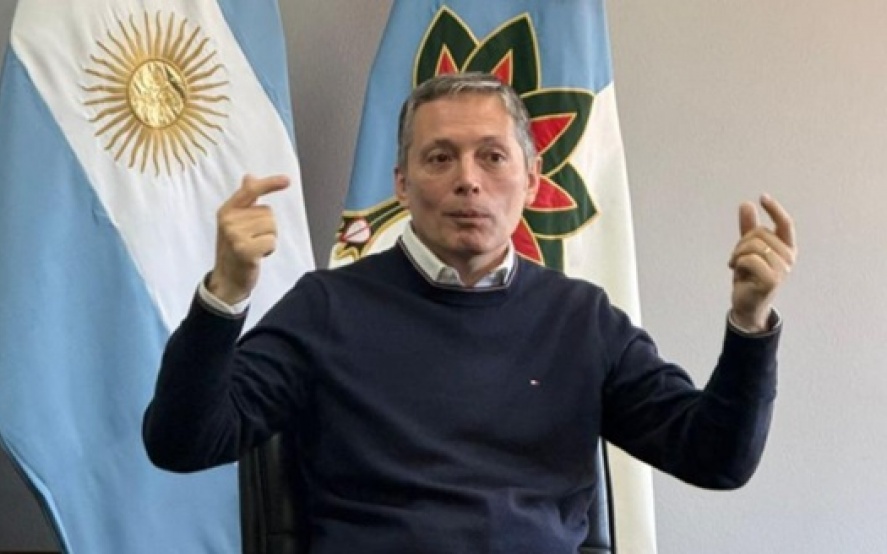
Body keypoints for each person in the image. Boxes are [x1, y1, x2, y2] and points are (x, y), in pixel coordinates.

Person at [143, 73, 797, 553]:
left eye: (492, 155)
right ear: (402, 184)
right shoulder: (326, 307)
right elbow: (182, 442)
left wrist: (748, 325)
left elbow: (715, 459)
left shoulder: (581, 317)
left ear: (531, 179)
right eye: (439, 157)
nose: (468, 179)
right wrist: (225, 293)